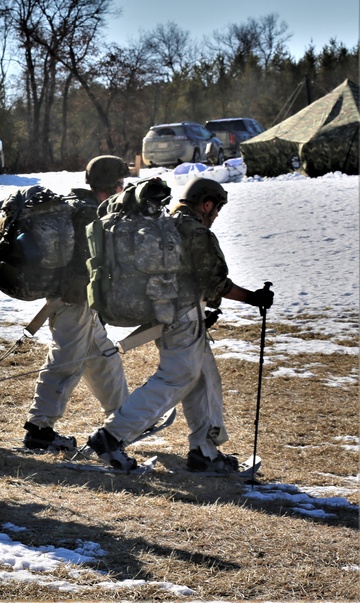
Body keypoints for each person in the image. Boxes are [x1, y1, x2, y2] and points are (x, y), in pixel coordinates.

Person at [86, 178, 274, 473]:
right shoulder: (194, 231)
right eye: (216, 209)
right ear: (207, 205)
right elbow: (215, 283)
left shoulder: (167, 224)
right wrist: (253, 298)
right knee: (175, 378)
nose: (216, 216)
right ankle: (111, 436)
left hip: (174, 314)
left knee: (202, 378)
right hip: (181, 318)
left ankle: (204, 451)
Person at [22, 156, 131, 451]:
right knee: (66, 362)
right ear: (112, 186)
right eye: (121, 184)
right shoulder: (90, 213)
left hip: (80, 301)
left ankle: (125, 418)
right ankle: (39, 429)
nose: (123, 189)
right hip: (73, 301)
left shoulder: (74, 204)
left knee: (103, 356)